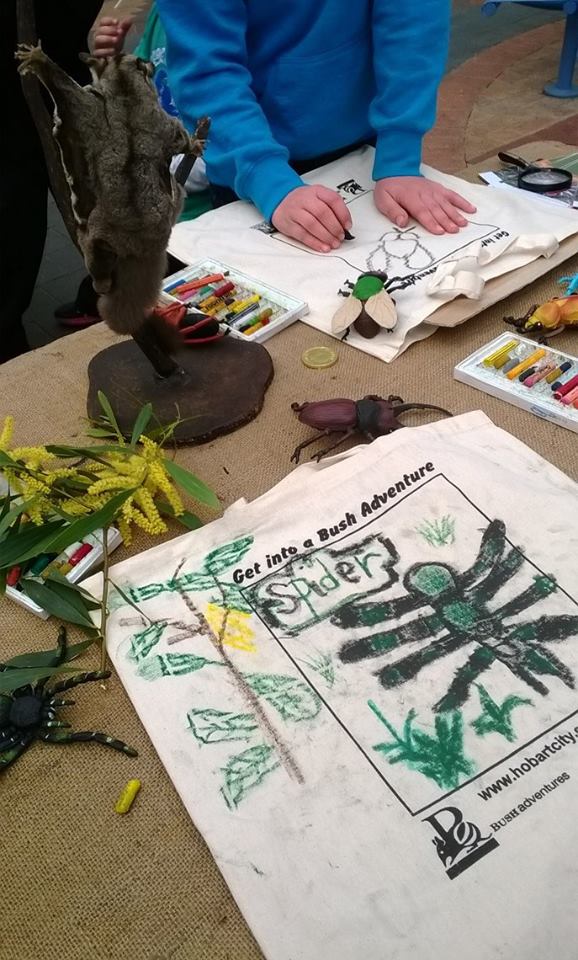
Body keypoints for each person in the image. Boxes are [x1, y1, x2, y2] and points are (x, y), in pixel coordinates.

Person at [155, 0, 477, 255]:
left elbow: (413, 19)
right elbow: (208, 72)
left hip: (367, 148)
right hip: (249, 164)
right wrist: (268, 181)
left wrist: (400, 155)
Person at [55, 6, 213, 329]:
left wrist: (172, 158)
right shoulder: (161, 15)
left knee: (160, 287)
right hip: (145, 193)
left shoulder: (218, 24)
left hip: (199, 212)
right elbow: (132, 89)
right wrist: (111, 64)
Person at [0, 0, 102, 363]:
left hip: (61, 76)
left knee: (97, 200)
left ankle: (110, 296)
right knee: (14, 215)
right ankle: (9, 351)